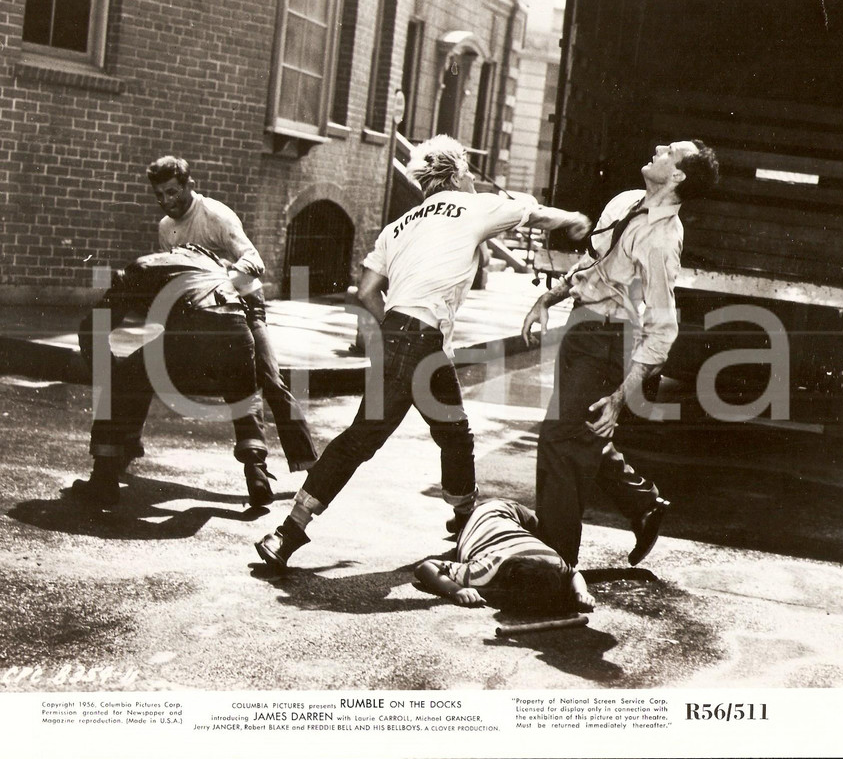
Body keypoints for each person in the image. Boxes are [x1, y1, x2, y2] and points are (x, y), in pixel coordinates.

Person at [254, 134, 592, 573]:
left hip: (407, 338)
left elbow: (367, 291)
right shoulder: (474, 206)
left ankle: (464, 518)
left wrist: (395, 328)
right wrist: (577, 218)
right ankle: (287, 533)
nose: (472, 178)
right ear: (456, 174)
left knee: (453, 432)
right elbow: (536, 214)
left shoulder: (400, 224)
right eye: (469, 171)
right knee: (364, 437)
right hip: (422, 340)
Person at [521, 140, 720, 569]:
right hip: (581, 325)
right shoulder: (626, 201)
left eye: (670, 151)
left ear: (678, 175)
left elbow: (663, 328)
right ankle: (643, 503)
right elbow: (594, 264)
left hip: (609, 340)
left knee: (560, 441)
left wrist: (620, 397)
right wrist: (550, 298)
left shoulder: (663, 240)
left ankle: (553, 570)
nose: (658, 148)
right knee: (580, 431)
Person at [146, 156, 318, 481]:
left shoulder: (215, 215)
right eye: (159, 195)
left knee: (268, 377)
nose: (166, 201)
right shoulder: (166, 229)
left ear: (188, 186)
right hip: (201, 313)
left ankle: (308, 463)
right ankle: (257, 467)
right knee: (152, 367)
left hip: (245, 302)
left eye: (172, 192)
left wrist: (221, 283)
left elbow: (255, 260)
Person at [71, 244, 272, 507]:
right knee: (243, 394)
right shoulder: (216, 267)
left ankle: (103, 478)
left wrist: (110, 375)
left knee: (124, 379)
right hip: (237, 329)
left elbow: (93, 328)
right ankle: (256, 471)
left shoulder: (145, 266)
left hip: (194, 326)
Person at [414, 498, 595, 613]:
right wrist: (456, 590)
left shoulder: (553, 560)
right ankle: (463, 521)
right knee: (544, 529)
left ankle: (463, 522)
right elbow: (425, 568)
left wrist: (581, 591)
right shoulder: (482, 572)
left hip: (505, 517)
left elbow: (572, 573)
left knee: (548, 532)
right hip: (500, 508)